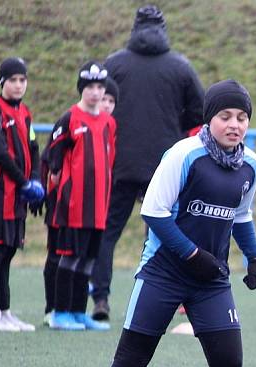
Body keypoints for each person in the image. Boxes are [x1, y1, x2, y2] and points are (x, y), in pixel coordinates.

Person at [81, 79, 256, 367]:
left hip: (211, 280)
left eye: (241, 117)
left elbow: (241, 214)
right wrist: (192, 254)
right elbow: (154, 211)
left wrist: (255, 257)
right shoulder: (184, 154)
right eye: (225, 116)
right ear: (208, 118)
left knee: (229, 362)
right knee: (132, 357)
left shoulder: (250, 163)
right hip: (163, 273)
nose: (234, 124)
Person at [89, 4, 205, 322]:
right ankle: (158, 298)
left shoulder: (114, 64)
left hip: (118, 163)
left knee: (107, 233)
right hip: (164, 164)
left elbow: (94, 105)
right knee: (162, 231)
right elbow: (200, 112)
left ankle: (100, 297)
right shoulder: (180, 67)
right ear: (163, 29)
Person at [44, 61, 116, 331]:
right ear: (81, 89)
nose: (96, 92)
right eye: (90, 87)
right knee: (70, 257)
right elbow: (54, 160)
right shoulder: (69, 118)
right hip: (74, 205)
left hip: (99, 206)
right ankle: (60, 312)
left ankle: (77, 312)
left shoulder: (109, 123)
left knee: (87, 260)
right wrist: (58, 197)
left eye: (100, 87)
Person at [0, 57, 44, 332]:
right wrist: (22, 182)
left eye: (22, 80)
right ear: (3, 82)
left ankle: (5, 312)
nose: (18, 85)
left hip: (17, 195)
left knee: (8, 252)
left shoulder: (24, 112)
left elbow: (34, 148)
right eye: (13, 80)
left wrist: (36, 181)